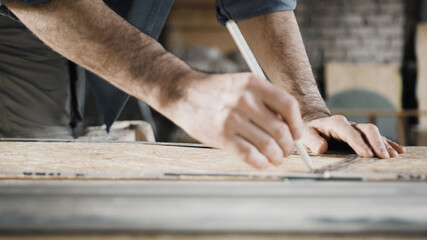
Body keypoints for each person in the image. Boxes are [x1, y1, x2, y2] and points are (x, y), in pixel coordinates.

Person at [0, 0, 405, 169]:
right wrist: (179, 89)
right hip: (17, 23)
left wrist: (308, 109)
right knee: (35, 166)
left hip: (114, 17)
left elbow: (258, 2)